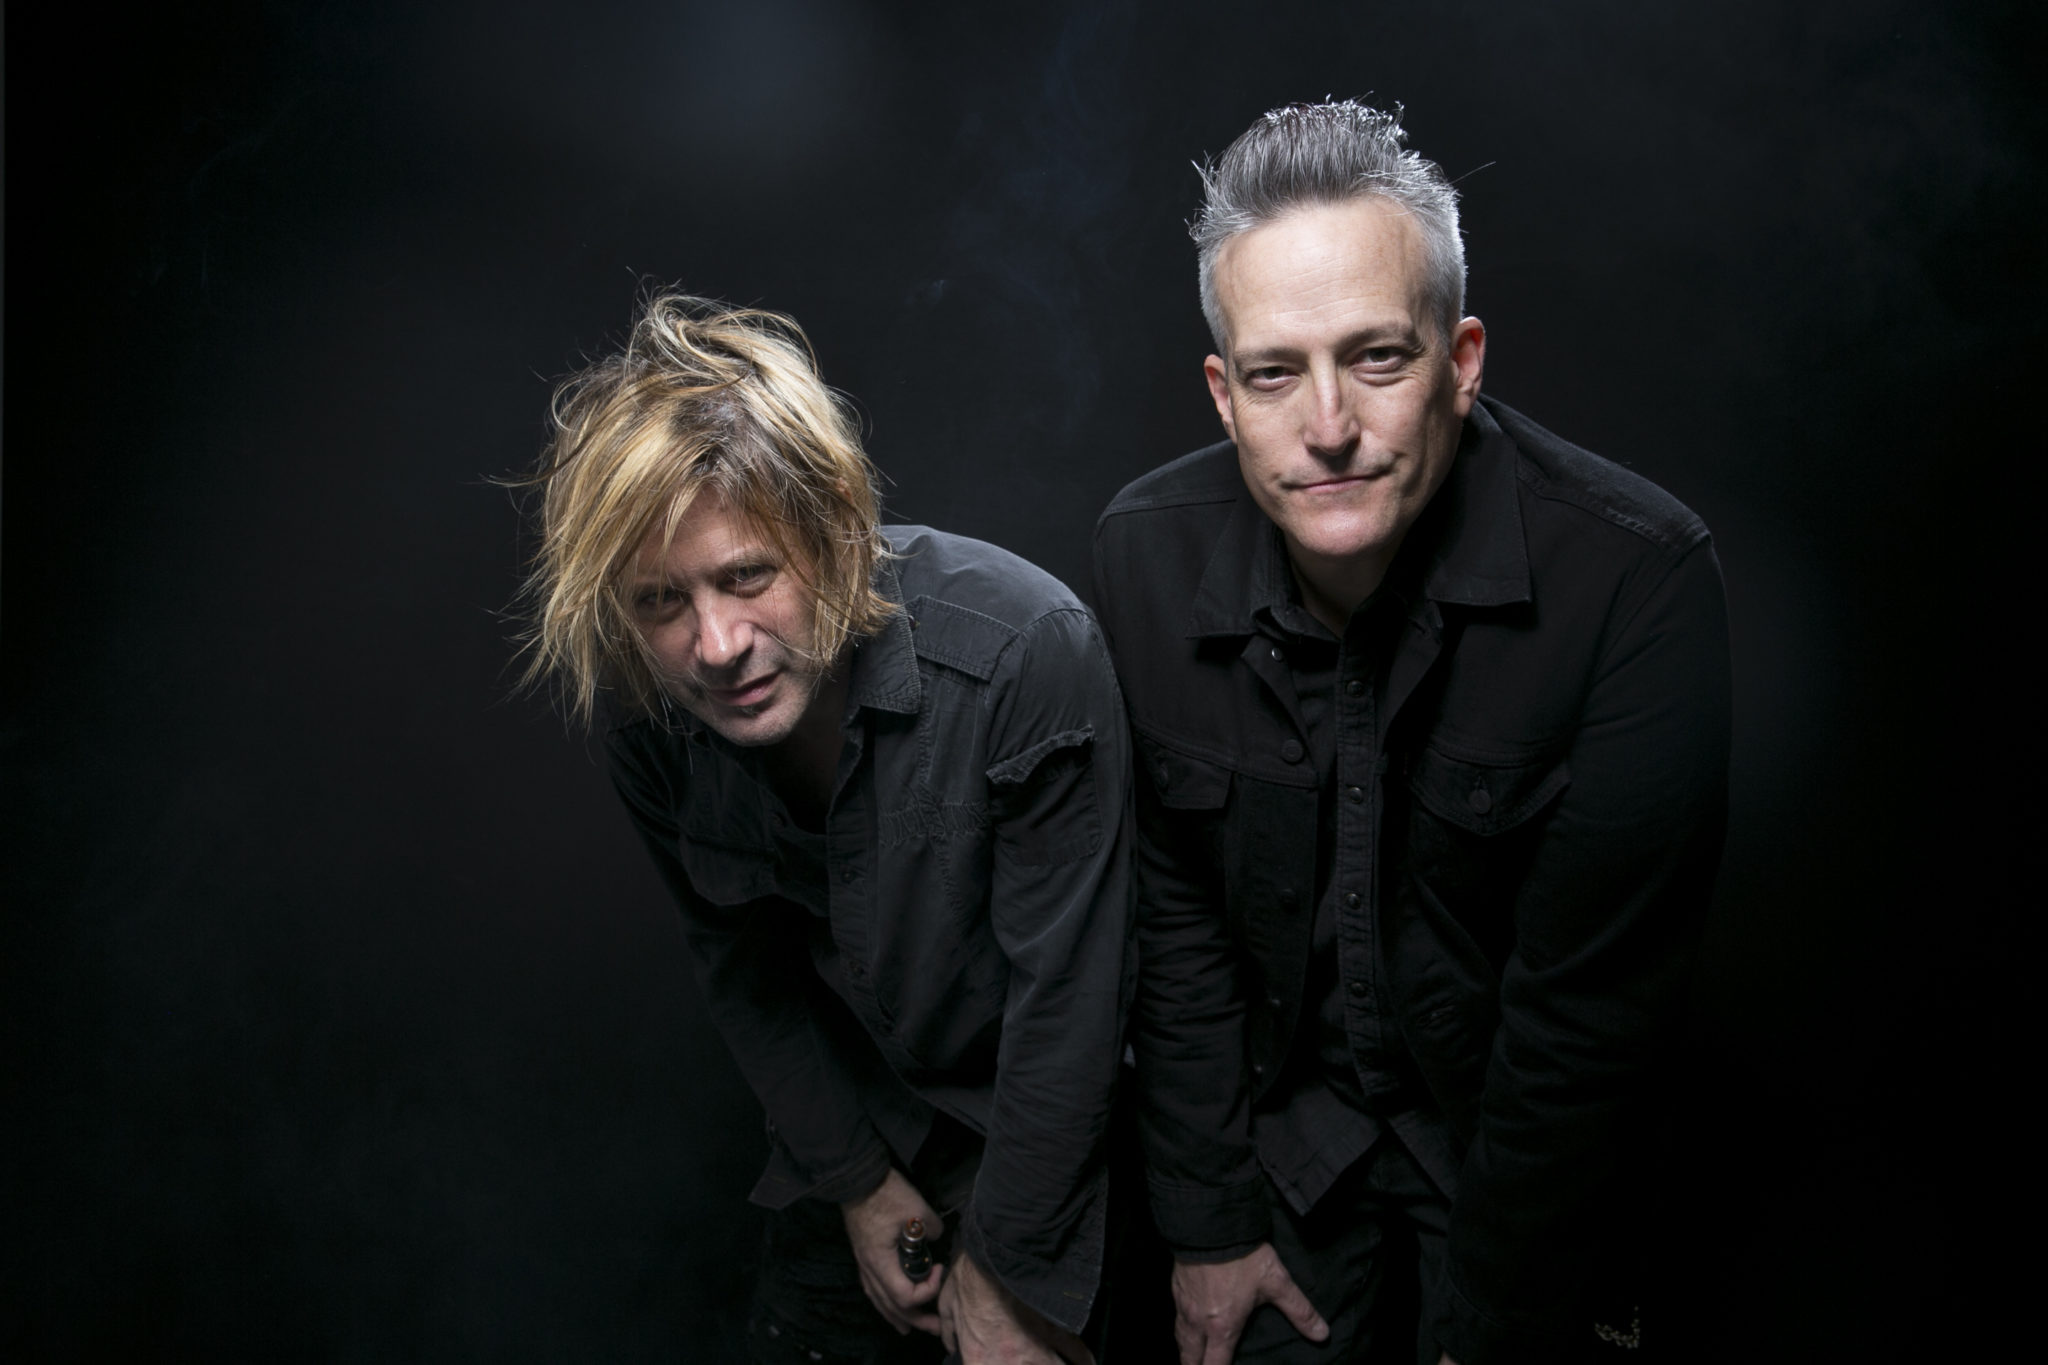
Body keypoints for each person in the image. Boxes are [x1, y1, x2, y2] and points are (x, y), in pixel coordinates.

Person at [1092, 102, 1731, 1364]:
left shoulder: (1635, 579)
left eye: (1376, 358)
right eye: (1274, 373)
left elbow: (1585, 1023)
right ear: (1223, 395)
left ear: (1461, 358)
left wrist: (1490, 1327)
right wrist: (1209, 1228)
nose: (1326, 423)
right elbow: (1173, 928)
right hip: (1280, 1147)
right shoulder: (1141, 558)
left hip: (1520, 1159)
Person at [516, 292, 1134, 1365]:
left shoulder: (1021, 650)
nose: (717, 644)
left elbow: (1073, 1002)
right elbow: (741, 969)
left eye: (747, 576)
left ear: (833, 530)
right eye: (661, 601)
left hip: (1061, 1135)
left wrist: (1008, 1269)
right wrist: (855, 1179)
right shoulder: (651, 720)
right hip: (870, 1126)